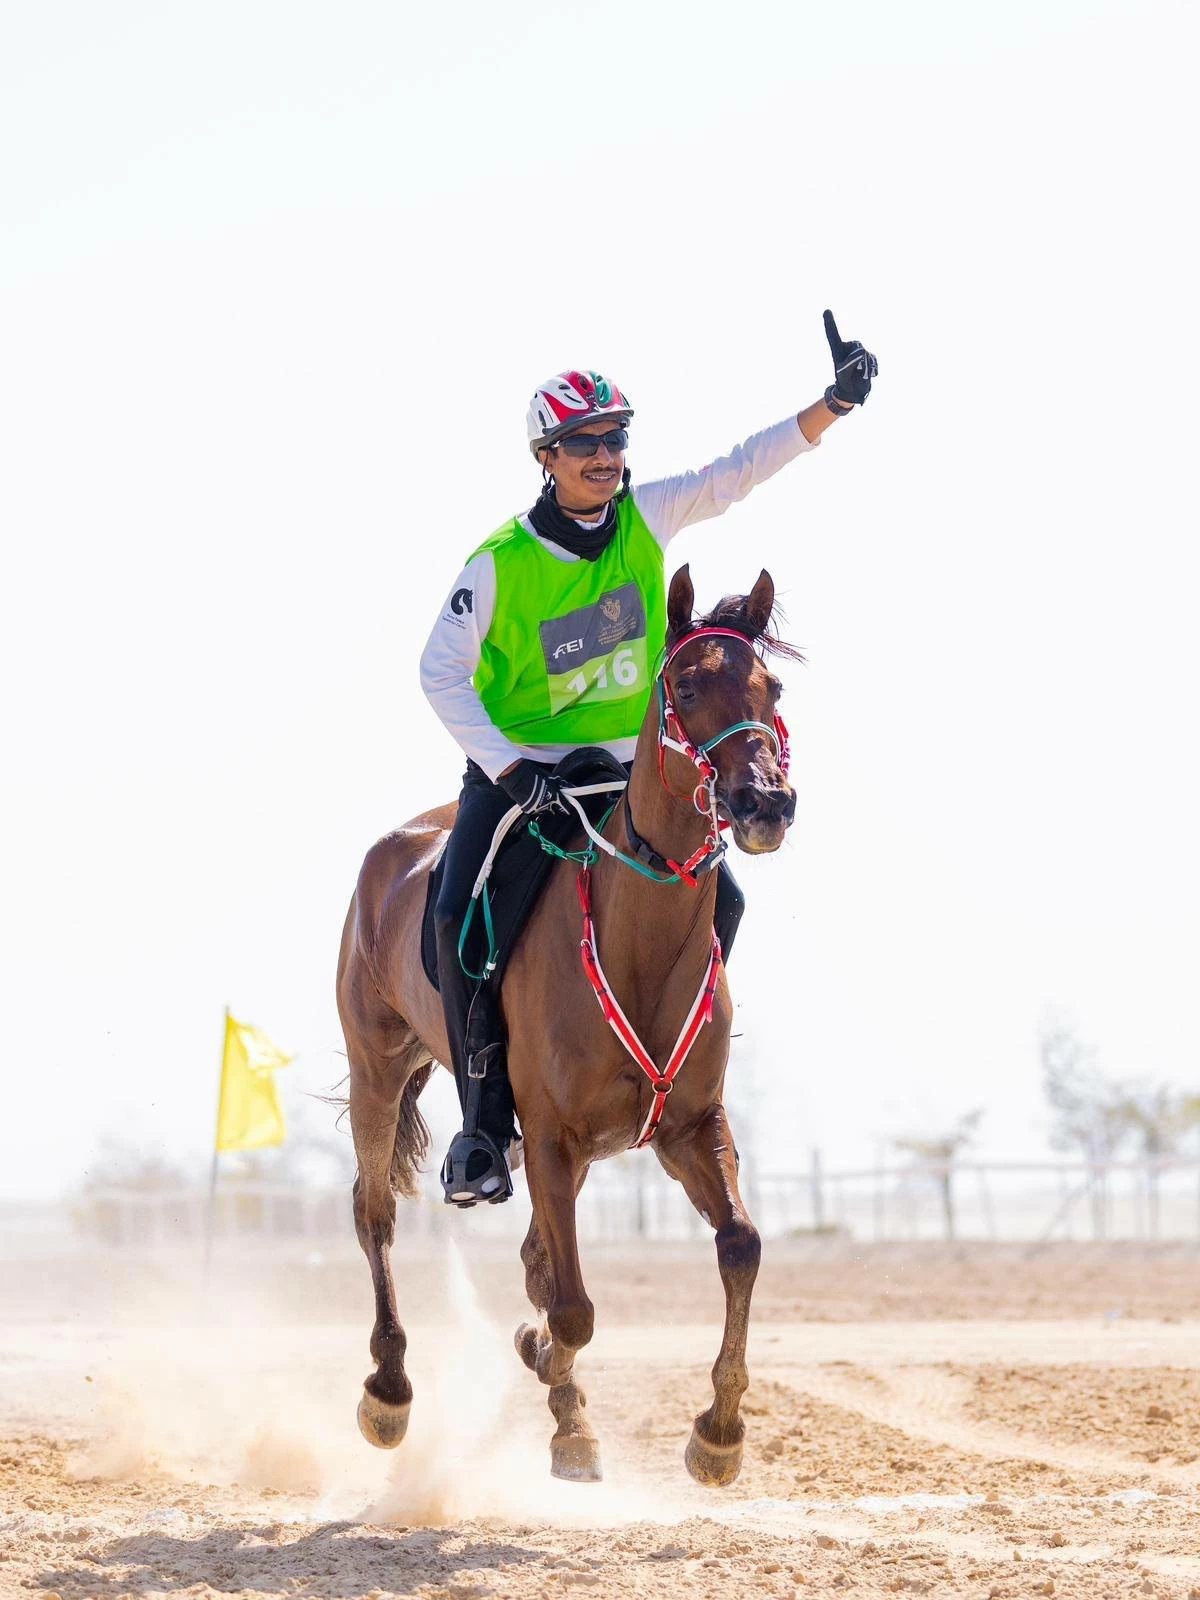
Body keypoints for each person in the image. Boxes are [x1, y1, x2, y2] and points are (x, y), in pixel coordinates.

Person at [420, 311, 878, 1206]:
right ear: (545, 458)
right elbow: (439, 675)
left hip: (623, 772)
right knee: (453, 912)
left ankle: (676, 1068)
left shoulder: (647, 516)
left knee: (727, 894)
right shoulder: (500, 562)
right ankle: (482, 1128)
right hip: (522, 776)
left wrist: (830, 408)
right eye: (582, 443)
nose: (604, 456)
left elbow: (736, 473)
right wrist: (514, 770)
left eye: (615, 439)